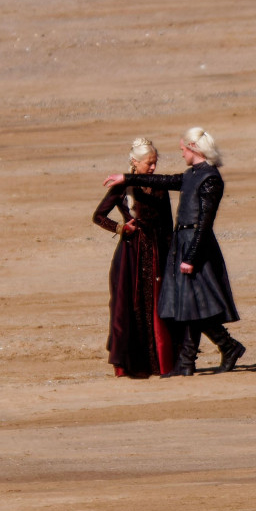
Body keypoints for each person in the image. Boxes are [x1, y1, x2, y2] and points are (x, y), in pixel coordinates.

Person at [103, 127, 245, 376]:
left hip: (194, 245)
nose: (180, 153)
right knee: (188, 303)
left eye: (182, 149)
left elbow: (205, 223)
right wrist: (127, 179)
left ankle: (221, 348)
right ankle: (192, 360)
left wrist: (190, 257)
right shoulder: (191, 175)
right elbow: (163, 180)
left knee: (193, 304)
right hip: (183, 242)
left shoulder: (210, 178)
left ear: (193, 148)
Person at [92, 138, 174, 378]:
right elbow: (98, 216)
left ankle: (162, 362)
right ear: (135, 163)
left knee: (158, 305)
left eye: (155, 163)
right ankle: (133, 364)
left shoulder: (159, 186)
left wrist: (170, 251)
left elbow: (168, 223)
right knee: (131, 305)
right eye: (149, 163)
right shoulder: (121, 188)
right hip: (131, 253)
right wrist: (121, 228)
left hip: (158, 251)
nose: (153, 168)